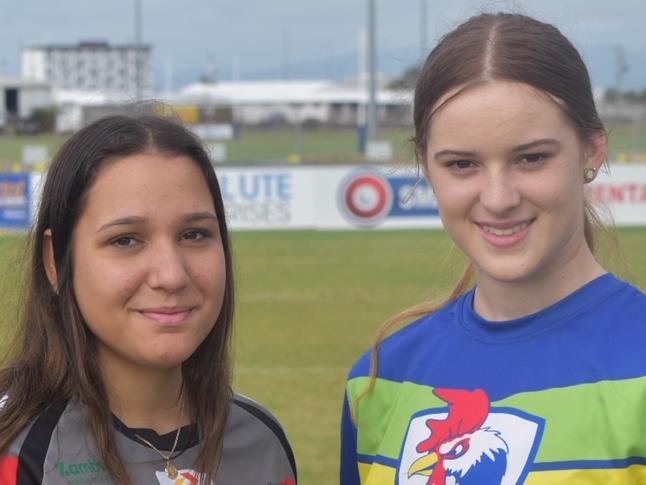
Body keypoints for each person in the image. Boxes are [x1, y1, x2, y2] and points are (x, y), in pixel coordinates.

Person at [341, 12, 646, 485]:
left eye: (532, 158)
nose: (499, 198)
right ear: (425, 165)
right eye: (463, 164)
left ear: (592, 150)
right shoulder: (381, 379)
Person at [0, 115, 297, 485]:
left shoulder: (262, 443)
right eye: (126, 239)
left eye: (194, 234)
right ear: (55, 261)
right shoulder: (18, 451)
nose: (171, 275)